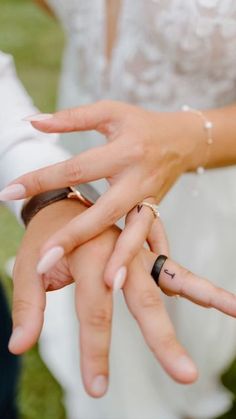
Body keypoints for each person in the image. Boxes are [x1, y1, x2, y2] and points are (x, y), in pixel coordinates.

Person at [2, 1, 236, 418]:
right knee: (101, 288)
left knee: (184, 319)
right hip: (84, 146)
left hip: (202, 175)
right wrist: (53, 196)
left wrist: (188, 137)